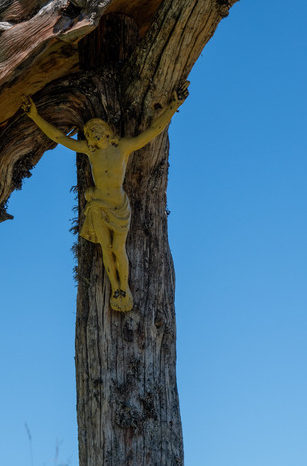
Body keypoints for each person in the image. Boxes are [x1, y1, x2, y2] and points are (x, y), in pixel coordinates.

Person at [22, 81, 189, 312]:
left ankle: (125, 287)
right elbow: (60, 138)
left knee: (118, 248)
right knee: (106, 249)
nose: (92, 133)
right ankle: (115, 288)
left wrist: (173, 106)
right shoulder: (90, 151)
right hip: (98, 206)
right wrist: (35, 116)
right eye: (89, 132)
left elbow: (153, 131)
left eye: (96, 129)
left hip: (119, 206)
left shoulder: (123, 147)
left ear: (107, 131)